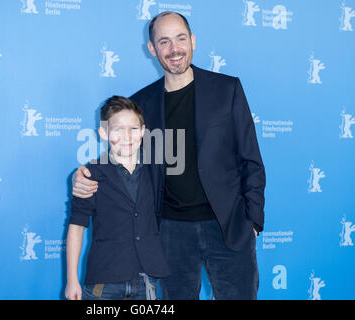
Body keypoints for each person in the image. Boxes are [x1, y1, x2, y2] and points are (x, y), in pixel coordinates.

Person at [72, 11, 265, 300]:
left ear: (193, 41)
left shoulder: (227, 89)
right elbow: (124, 158)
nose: (174, 49)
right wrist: (83, 175)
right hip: (171, 233)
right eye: (164, 42)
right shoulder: (141, 103)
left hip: (229, 226)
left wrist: (254, 221)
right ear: (152, 49)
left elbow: (251, 159)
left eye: (180, 39)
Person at [65, 96, 170, 300]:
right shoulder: (91, 174)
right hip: (104, 279)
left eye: (133, 128)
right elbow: (76, 227)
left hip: (147, 280)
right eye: (118, 129)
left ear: (142, 131)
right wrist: (72, 280)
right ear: (104, 133)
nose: (127, 136)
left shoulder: (155, 170)